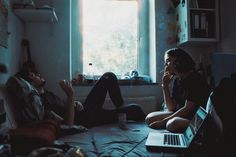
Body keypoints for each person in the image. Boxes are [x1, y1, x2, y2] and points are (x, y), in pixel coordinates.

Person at [16, 69, 146, 128]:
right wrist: (71, 95)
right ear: (30, 83)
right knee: (136, 110)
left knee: (109, 76)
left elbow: (65, 107)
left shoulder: (47, 93)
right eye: (33, 75)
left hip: (85, 109)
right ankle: (122, 113)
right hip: (86, 119)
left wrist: (75, 102)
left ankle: (121, 111)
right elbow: (68, 124)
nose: (38, 74)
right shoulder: (41, 102)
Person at [145, 48, 211, 133]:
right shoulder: (177, 80)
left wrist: (162, 122)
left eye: (168, 61)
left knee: (171, 124)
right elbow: (171, 107)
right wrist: (165, 86)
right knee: (149, 118)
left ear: (178, 62)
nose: (165, 65)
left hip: (195, 117)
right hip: (184, 115)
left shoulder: (195, 79)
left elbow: (187, 109)